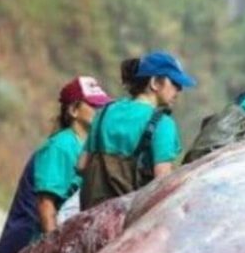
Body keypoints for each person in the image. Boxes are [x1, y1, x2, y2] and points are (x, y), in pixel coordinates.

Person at [0, 76, 113, 253]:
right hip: (28, 248)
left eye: (102, 106)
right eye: (93, 105)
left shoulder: (86, 147)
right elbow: (45, 204)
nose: (100, 111)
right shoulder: (60, 146)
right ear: (73, 110)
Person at [79, 51, 196, 210]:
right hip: (128, 220)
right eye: (175, 83)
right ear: (155, 82)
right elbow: (163, 183)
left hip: (91, 214)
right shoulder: (162, 124)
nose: (179, 89)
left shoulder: (105, 112)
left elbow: (81, 165)